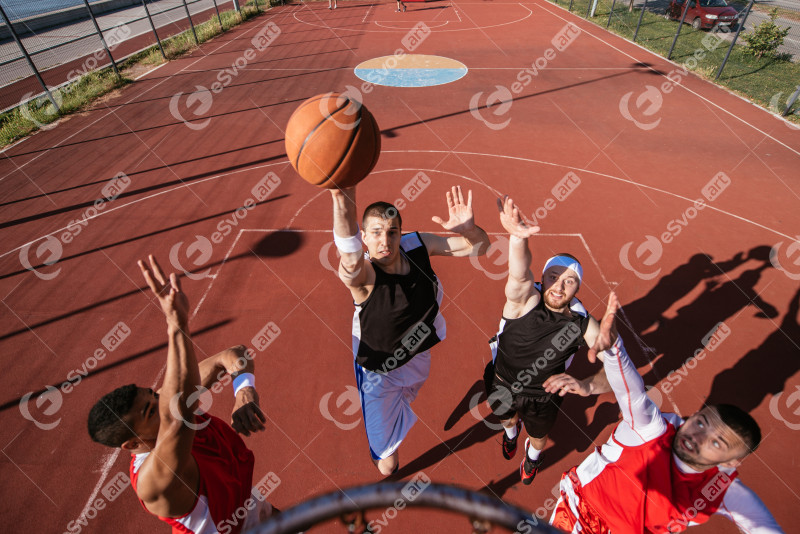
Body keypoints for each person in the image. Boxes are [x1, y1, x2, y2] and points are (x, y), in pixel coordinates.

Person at [550, 292, 784, 533]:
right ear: (692, 416)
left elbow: (764, 528)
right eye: (701, 423)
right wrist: (613, 350)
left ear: (730, 463)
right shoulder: (650, 430)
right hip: (581, 517)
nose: (697, 437)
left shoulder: (721, 489)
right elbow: (632, 392)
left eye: (717, 442)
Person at [87, 255, 271, 534]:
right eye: (150, 410)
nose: (159, 401)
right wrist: (177, 325)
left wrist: (244, 390)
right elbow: (177, 417)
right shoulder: (154, 482)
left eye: (152, 394)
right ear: (133, 443)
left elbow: (234, 355)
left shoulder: (165, 407)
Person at [330, 185, 490, 476]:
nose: (385, 240)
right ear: (363, 237)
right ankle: (380, 447)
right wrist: (343, 196)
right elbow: (350, 260)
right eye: (375, 232)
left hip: (418, 358)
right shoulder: (363, 277)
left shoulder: (416, 245)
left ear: (401, 233)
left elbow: (480, 247)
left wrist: (469, 229)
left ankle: (389, 423)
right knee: (387, 467)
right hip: (379, 375)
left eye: (392, 232)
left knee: (404, 403)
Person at [485, 196, 610, 485]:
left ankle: (532, 458)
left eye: (569, 280)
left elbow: (616, 364)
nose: (559, 285)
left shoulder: (582, 324)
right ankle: (510, 435)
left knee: (539, 438)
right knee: (507, 419)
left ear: (578, 287)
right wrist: (517, 239)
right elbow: (518, 275)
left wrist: (589, 385)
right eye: (554, 276)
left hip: (542, 396)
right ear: (542, 278)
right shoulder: (524, 301)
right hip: (502, 381)